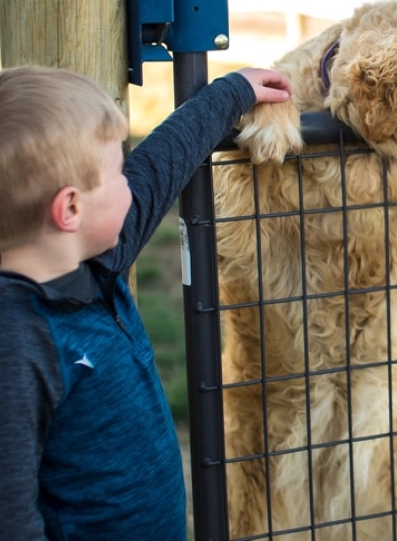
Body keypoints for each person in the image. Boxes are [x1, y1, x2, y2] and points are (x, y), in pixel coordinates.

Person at [0, 65, 291, 540]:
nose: (129, 181)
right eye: (117, 170)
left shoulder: (95, 262)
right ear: (69, 208)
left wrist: (231, 94)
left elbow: (158, 168)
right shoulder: (17, 345)